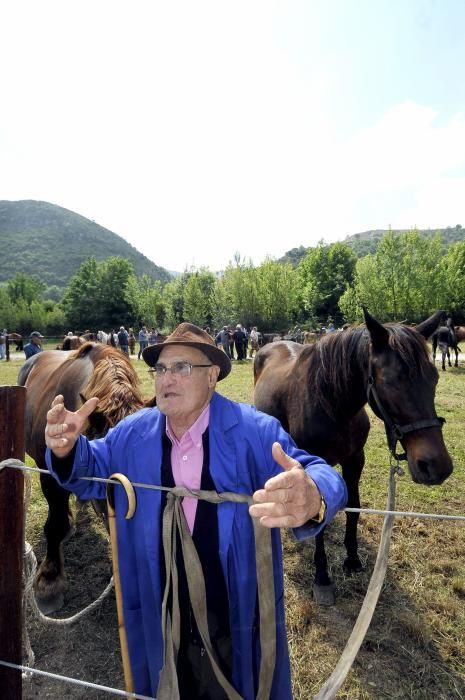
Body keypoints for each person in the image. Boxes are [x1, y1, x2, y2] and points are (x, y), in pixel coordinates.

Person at [44, 322, 347, 699]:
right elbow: (92, 470)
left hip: (233, 599)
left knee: (237, 682)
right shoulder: (133, 433)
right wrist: (66, 449)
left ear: (212, 376)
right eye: (160, 369)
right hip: (159, 595)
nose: (166, 379)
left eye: (181, 367)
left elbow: (317, 470)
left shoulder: (254, 431)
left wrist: (314, 492)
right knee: (169, 679)